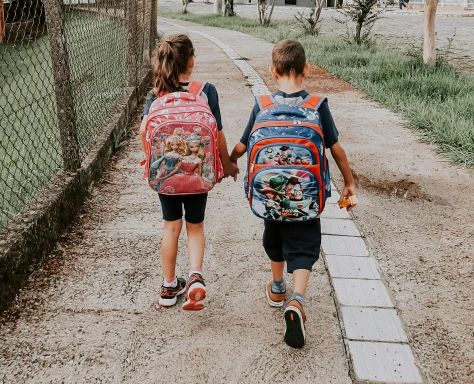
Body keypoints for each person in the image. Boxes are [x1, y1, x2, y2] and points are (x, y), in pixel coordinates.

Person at [230, 39, 357, 349]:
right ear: (306, 69)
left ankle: (276, 288)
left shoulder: (263, 105)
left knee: (273, 238)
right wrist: (349, 183)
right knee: (303, 246)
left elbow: (244, 145)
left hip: (270, 198)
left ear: (273, 72)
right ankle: (297, 300)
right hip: (306, 197)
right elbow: (335, 149)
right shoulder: (317, 105)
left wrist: (229, 161)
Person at [140, 34, 238, 310]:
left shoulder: (156, 93)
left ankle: (169, 285)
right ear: (192, 61)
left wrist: (150, 159)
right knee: (195, 226)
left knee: (171, 227)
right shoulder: (206, 90)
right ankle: (195, 277)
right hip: (198, 176)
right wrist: (227, 164)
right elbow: (216, 135)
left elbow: (144, 131)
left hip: (167, 179)